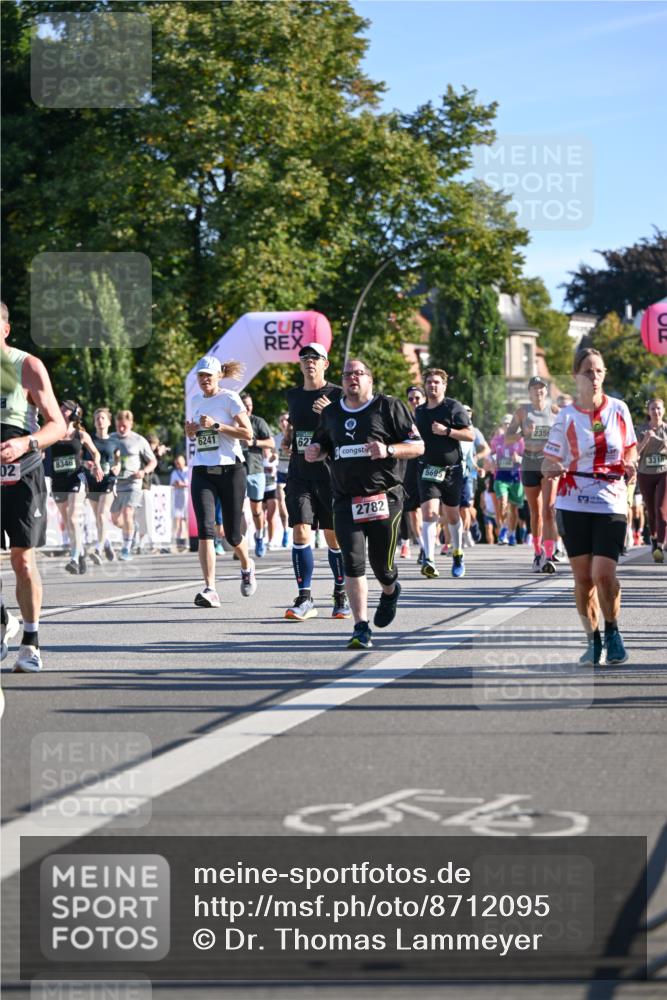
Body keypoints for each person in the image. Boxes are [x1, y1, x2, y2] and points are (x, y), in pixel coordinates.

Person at [306, 358, 423, 649]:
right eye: (347, 374)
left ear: (370, 379)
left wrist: (388, 449)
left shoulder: (388, 406)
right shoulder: (332, 413)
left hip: (385, 498)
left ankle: (390, 590)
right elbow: (324, 445)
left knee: (382, 566)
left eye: (358, 373)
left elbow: (418, 446)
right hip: (345, 499)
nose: (352, 378)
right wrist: (316, 450)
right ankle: (360, 626)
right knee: (353, 564)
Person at [542, 347, 638, 666]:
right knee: (583, 579)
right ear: (576, 376)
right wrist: (551, 467)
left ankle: (613, 630)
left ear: (604, 375)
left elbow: (631, 451)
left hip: (610, 501)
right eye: (587, 371)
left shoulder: (620, 409)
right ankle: (592, 640)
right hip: (573, 503)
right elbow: (548, 460)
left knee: (604, 574)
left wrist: (630, 464)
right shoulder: (566, 415)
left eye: (598, 371)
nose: (594, 377)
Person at [0, 300, 67, 673]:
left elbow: (58, 424)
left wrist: (25, 443)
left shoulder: (27, 366)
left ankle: (30, 640)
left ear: (5, 329)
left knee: (22, 559)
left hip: (21, 470)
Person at [284, 343, 350, 621]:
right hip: (299, 473)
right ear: (300, 364)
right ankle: (305, 597)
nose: (310, 361)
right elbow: (296, 429)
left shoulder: (338, 395)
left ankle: (341, 593)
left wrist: (332, 414)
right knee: (301, 531)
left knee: (333, 538)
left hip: (330, 476)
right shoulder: (293, 395)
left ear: (326, 363)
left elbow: (350, 433)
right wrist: (288, 438)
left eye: (316, 358)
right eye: (305, 357)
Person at [186, 356, 257, 605]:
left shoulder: (230, 398)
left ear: (218, 376)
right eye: (200, 375)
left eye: (209, 375)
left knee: (233, 535)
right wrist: (192, 432)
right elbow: (198, 435)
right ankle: (210, 589)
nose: (204, 379)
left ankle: (247, 566)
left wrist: (216, 425)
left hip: (231, 470)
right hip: (203, 470)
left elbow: (248, 434)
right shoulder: (194, 401)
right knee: (206, 530)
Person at [414, 368, 474, 579]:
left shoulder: (453, 407)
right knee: (429, 513)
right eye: (429, 382)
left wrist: (447, 431)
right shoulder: (420, 412)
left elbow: (470, 435)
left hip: (452, 471)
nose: (433, 385)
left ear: (444, 385)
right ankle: (429, 559)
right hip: (428, 469)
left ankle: (457, 554)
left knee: (452, 515)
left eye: (437, 382)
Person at [506, 376, 560, 573]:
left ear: (547, 391)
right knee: (535, 512)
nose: (538, 391)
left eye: (542, 387)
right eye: (534, 388)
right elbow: (507, 439)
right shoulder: (521, 412)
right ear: (529, 392)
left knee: (548, 510)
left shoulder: (556, 411)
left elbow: (566, 437)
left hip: (548, 463)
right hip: (529, 462)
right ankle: (537, 553)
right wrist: (523, 433)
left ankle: (548, 554)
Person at [48, 400, 103, 574]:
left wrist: (98, 465)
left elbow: (95, 452)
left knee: (73, 518)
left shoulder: (81, 435)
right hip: (58, 481)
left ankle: (73, 557)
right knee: (68, 522)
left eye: (66, 409)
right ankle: (80, 551)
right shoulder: (53, 431)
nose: (62, 410)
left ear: (74, 413)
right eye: (61, 407)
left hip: (76, 478)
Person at [109, 410, 157, 561]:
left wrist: (144, 472)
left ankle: (126, 550)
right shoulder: (111, 438)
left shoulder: (138, 440)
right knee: (116, 520)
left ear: (131, 424)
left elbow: (152, 461)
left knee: (128, 513)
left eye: (124, 426)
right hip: (117, 483)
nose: (121, 429)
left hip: (133, 483)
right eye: (118, 426)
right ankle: (133, 529)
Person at [239, 392, 274, 558]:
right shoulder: (232, 422)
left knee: (256, 510)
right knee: (238, 510)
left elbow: (271, 443)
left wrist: (253, 442)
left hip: (256, 471)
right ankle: (242, 542)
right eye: (245, 405)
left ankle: (259, 536)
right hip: (237, 471)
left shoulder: (258, 422)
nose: (247, 408)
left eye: (250, 406)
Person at [85, 407, 120, 563]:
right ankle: (107, 543)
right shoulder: (89, 440)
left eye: (103, 418)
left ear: (109, 422)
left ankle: (98, 548)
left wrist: (117, 467)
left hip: (109, 480)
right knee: (98, 518)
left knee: (101, 514)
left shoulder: (114, 441)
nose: (100, 421)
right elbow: (82, 460)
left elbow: (119, 460)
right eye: (97, 418)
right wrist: (88, 464)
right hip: (93, 481)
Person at [636, 397, 667, 563]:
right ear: (648, 411)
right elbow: (636, 453)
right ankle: (654, 539)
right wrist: (647, 439)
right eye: (653, 408)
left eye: (659, 408)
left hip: (664, 473)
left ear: (664, 410)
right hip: (645, 473)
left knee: (662, 511)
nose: (656, 412)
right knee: (652, 511)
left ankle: (660, 546)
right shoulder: (641, 430)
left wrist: (660, 440)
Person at [399, 385, 425, 560]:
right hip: (409, 467)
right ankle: (423, 545)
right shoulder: (404, 419)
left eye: (417, 398)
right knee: (413, 510)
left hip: (429, 467)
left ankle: (428, 543)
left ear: (423, 398)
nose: (414, 401)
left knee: (429, 509)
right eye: (411, 399)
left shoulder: (430, 416)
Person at [490, 416, 524, 546]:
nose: (508, 426)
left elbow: (527, 456)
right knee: (502, 503)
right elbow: (491, 453)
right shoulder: (497, 440)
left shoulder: (520, 441)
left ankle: (512, 533)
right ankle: (503, 528)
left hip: (516, 476)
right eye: (506, 424)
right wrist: (492, 462)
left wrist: (519, 459)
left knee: (514, 509)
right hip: (501, 476)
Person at [274, 411, 291, 548]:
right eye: (281, 421)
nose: (284, 423)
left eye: (286, 420)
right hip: (281, 473)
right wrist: (272, 457)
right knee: (282, 504)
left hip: (294, 473)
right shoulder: (276, 439)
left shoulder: (295, 436)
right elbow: (272, 454)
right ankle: (286, 532)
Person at [169, 454, 189, 551]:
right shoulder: (174, 472)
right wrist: (177, 484)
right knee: (177, 520)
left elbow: (190, 483)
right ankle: (175, 542)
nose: (178, 465)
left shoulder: (188, 471)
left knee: (185, 520)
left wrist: (183, 484)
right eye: (177, 463)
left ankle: (186, 542)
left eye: (180, 463)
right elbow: (172, 484)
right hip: (177, 498)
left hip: (187, 498)